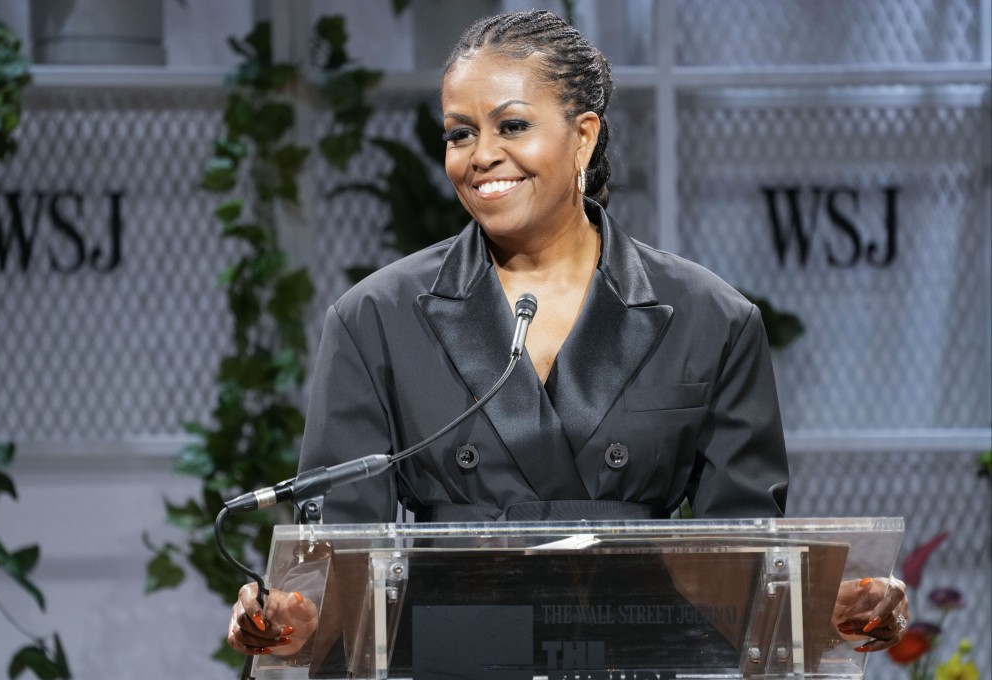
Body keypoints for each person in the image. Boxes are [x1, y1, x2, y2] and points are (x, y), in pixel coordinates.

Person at [227, 8, 908, 662]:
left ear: (583, 136)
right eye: (460, 134)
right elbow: (338, 557)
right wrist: (297, 616)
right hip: (453, 659)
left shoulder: (712, 319)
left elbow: (743, 561)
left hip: (635, 657)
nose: (481, 156)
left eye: (512, 125)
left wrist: (821, 607)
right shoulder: (375, 318)